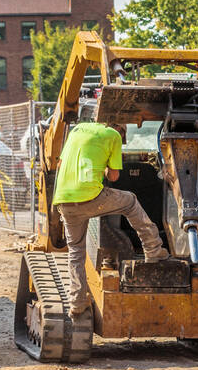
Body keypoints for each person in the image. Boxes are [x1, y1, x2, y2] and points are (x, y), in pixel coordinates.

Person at [53, 122, 169, 317]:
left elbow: (61, 164)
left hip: (64, 200)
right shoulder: (113, 136)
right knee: (130, 201)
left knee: (76, 251)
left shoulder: (77, 130)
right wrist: (106, 167)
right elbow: (114, 176)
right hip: (90, 197)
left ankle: (77, 303)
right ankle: (153, 250)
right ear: (121, 132)